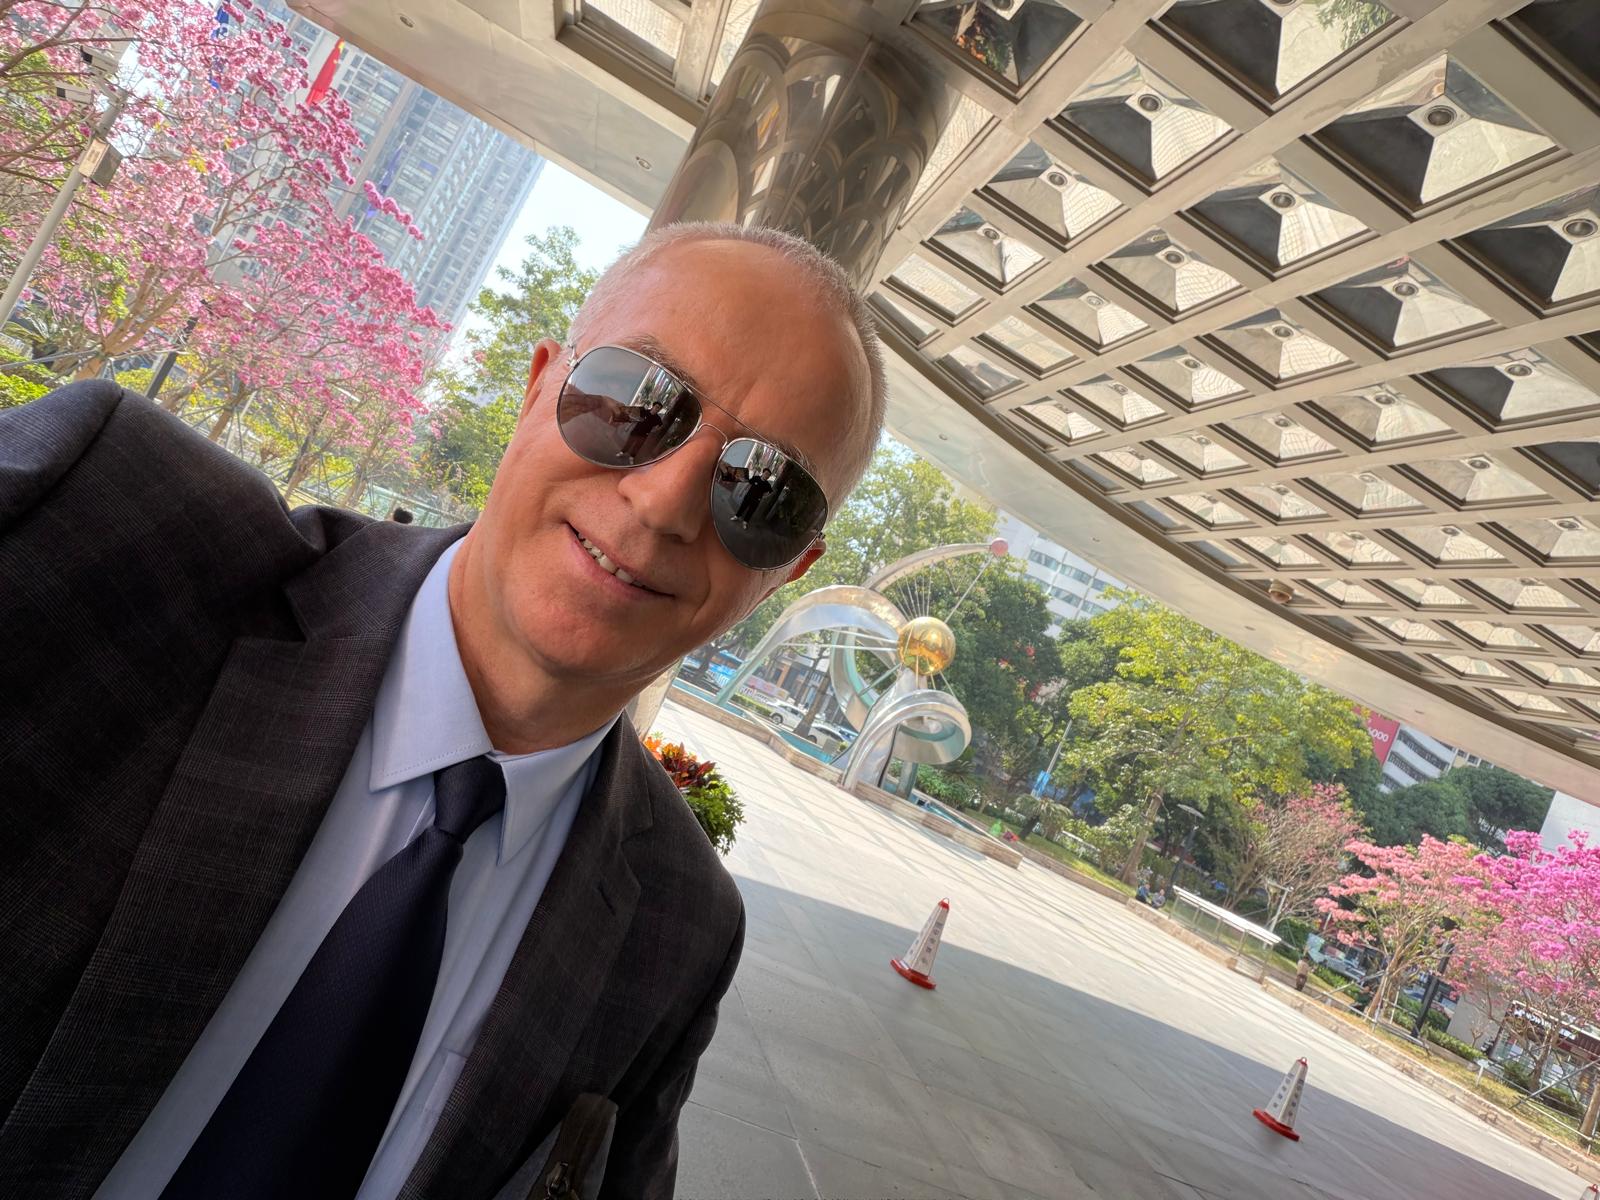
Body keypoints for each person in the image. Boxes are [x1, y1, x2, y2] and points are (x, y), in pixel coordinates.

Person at [0, 222, 885, 1200]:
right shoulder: (104, 519)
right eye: (638, 400)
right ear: (536, 389)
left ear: (788, 569)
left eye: (762, 492)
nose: (663, 502)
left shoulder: (681, 925)